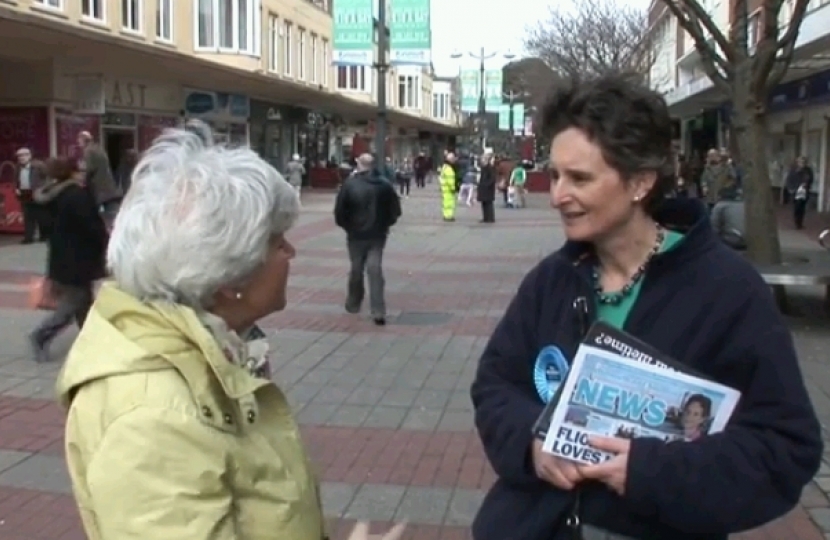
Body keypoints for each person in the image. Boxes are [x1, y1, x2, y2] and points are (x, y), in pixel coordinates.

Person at [470, 74, 821, 540]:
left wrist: (649, 470)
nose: (557, 195)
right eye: (554, 175)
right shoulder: (552, 280)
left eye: (579, 178)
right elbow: (496, 386)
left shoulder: (728, 292)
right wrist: (532, 444)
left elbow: (784, 448)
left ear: (640, 182)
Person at [55, 121, 404, 540]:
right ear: (227, 279)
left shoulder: (212, 350)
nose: (291, 252)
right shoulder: (154, 418)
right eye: (277, 242)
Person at [29, 157, 108, 363]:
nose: (82, 172)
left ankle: (91, 342)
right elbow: (92, 228)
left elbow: (47, 229)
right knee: (72, 305)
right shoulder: (76, 195)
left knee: (84, 306)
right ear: (72, 172)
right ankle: (40, 335)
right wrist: (106, 241)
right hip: (78, 260)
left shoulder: (49, 196)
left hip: (61, 258)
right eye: (79, 169)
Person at [335, 153, 401, 326]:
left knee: (356, 269)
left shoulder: (350, 185)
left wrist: (348, 227)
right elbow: (396, 210)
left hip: (356, 235)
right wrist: (385, 224)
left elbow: (340, 211)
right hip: (378, 235)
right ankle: (378, 310)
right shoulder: (385, 185)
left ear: (359, 164)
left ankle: (354, 302)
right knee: (375, 270)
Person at [78, 131, 123, 229]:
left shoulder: (88, 151)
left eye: (79, 140)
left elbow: (90, 169)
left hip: (98, 187)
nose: (79, 143)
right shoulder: (99, 149)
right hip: (109, 186)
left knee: (95, 212)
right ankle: (116, 227)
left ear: (84, 140)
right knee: (111, 211)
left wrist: (83, 182)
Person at [14, 147, 48, 243]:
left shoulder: (39, 165)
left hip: (37, 192)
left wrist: (43, 189)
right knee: (27, 216)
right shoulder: (17, 167)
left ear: (29, 155)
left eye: (23, 155)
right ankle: (28, 237)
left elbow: (47, 177)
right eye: (19, 156)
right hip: (24, 192)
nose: (21, 158)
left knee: (40, 214)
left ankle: (44, 235)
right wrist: (16, 188)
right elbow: (16, 179)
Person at [786, 156, 814, 229]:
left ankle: (800, 222)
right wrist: (791, 188)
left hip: (804, 191)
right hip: (795, 191)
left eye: (803, 162)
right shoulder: (794, 170)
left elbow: (811, 179)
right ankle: (797, 222)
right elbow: (789, 179)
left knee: (802, 207)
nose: (801, 164)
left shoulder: (808, 171)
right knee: (797, 207)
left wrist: (807, 184)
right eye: (800, 162)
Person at [477, 151, 497, 223]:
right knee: (484, 204)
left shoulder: (489, 168)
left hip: (488, 189)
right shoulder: (484, 168)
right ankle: (485, 217)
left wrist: (486, 185)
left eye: (483, 159)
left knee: (489, 204)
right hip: (484, 189)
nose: (481, 160)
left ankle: (490, 218)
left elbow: (492, 178)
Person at [439, 152, 458, 222]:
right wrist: (453, 188)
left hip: (444, 188)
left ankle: (446, 215)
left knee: (446, 203)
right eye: (453, 159)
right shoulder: (449, 168)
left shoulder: (444, 167)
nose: (454, 160)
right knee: (449, 203)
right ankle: (448, 216)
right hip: (448, 189)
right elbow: (450, 180)